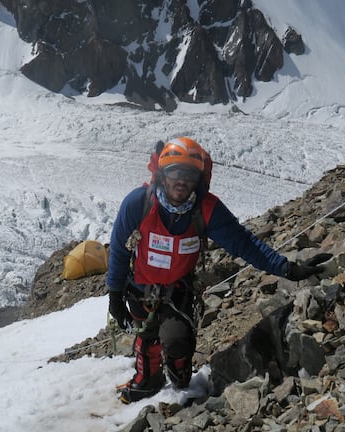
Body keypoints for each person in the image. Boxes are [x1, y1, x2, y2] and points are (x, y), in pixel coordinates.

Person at [107, 137, 330, 404]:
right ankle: (148, 380)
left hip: (177, 292)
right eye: (175, 172)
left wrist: (288, 269)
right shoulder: (138, 203)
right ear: (161, 174)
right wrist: (114, 294)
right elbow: (120, 250)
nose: (181, 181)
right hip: (140, 289)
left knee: (177, 341)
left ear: (198, 180)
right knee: (146, 337)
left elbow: (244, 244)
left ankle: (179, 379)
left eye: (188, 174)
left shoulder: (206, 209)